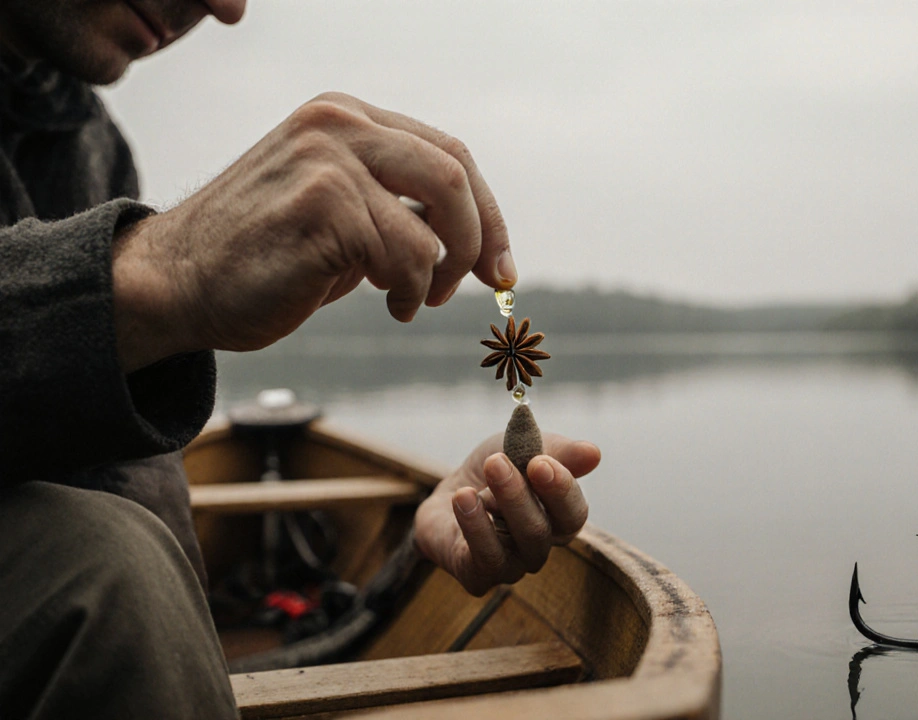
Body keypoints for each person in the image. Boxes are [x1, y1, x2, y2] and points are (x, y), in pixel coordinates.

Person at [0, 1, 600, 717]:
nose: (227, 7)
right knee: (100, 562)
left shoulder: (91, 146)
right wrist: (161, 272)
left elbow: (175, 632)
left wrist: (407, 565)